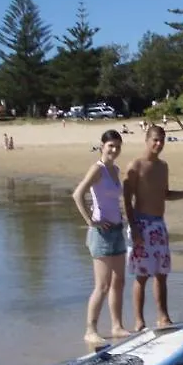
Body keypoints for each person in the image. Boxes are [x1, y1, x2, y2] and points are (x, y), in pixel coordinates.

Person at [123, 125, 183, 331]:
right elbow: (126, 200)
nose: (159, 144)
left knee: (162, 274)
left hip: (159, 224)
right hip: (141, 223)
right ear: (147, 140)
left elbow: (165, 194)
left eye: (162, 140)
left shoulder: (163, 166)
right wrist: (134, 227)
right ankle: (139, 321)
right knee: (141, 275)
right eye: (155, 140)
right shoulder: (135, 166)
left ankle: (163, 316)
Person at [72, 129, 129, 344]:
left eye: (117, 146)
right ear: (102, 146)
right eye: (110, 146)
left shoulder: (115, 170)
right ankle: (90, 330)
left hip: (117, 230)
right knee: (102, 285)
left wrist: (121, 215)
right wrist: (90, 221)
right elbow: (78, 194)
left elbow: (113, 198)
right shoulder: (98, 169)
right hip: (101, 233)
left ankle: (117, 326)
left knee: (119, 282)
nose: (114, 149)